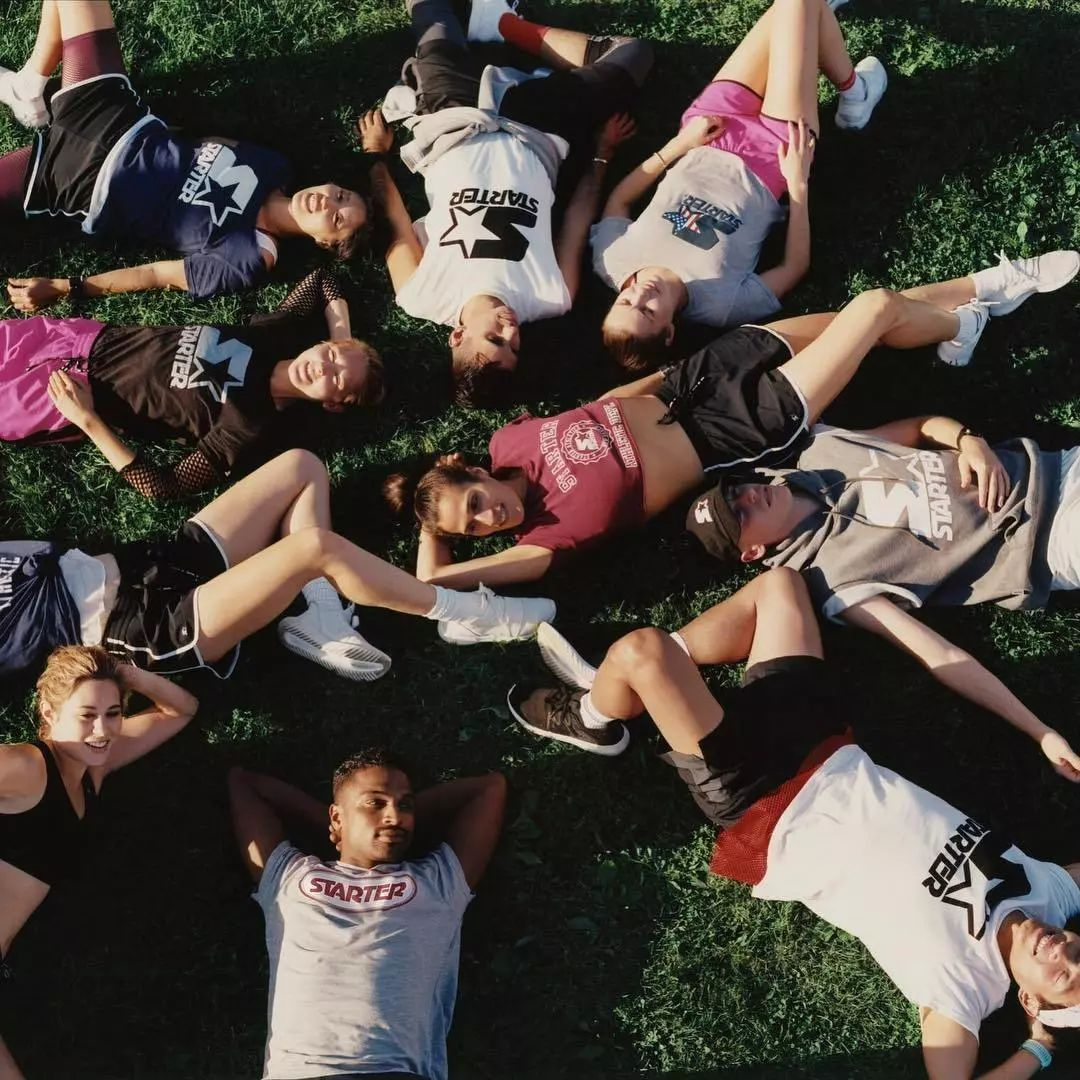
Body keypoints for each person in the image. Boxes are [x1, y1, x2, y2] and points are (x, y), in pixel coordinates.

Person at [508, 569, 1080, 1077]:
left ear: (1031, 1002)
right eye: (1079, 951)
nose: (1062, 951)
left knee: (642, 650)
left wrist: (1040, 1049)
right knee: (778, 588)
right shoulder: (1051, 893)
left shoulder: (963, 990)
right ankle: (638, 686)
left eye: (1063, 976)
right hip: (824, 744)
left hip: (765, 800)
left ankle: (592, 716)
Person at [385, 254, 1073, 589]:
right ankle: (964, 323)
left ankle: (984, 291)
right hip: (738, 428)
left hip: (698, 377)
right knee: (873, 310)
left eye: (474, 503)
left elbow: (609, 400)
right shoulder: (544, 539)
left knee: (857, 318)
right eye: (472, 530)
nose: (488, 520)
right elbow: (427, 585)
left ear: (472, 469)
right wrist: (432, 522)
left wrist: (674, 374)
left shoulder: (510, 438)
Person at [682, 337, 1080, 778]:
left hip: (1056, 467)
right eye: (741, 514)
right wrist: (1040, 732)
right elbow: (939, 655)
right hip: (1050, 540)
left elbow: (922, 426)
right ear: (753, 551)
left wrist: (969, 441)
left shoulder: (820, 451)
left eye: (737, 491)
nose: (751, 496)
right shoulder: (836, 582)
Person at [0, 448, 556, 686]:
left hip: (150, 561)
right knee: (315, 547)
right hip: (143, 628)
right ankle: (467, 613)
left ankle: (320, 614)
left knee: (301, 466)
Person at [360, 0, 652, 405]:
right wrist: (602, 153)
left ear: (458, 335)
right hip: (537, 128)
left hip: (453, 122)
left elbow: (393, 217)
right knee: (634, 54)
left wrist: (375, 154)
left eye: (496, 339)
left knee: (431, 14)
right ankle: (503, 24)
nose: (512, 331)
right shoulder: (550, 297)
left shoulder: (421, 295)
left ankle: (488, 25)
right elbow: (576, 220)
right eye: (514, 346)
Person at [0, 0, 370, 308]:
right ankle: (29, 88)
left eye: (337, 219)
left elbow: (156, 274)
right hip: (115, 115)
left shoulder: (250, 257)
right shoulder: (274, 166)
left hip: (77, 180)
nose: (327, 203)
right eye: (340, 195)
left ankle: (29, 92)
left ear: (325, 243)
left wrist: (66, 287)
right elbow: (207, 140)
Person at [592, 0, 886, 372]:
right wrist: (798, 184)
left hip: (708, 131)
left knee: (789, 11)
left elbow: (620, 199)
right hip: (772, 156)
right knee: (798, 5)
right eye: (647, 311)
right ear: (668, 332)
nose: (639, 294)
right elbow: (794, 267)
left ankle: (848, 82)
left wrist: (680, 145)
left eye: (624, 302)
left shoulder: (611, 261)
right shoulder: (721, 305)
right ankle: (849, 84)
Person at [228, 750, 506, 1080]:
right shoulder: (289, 877)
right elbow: (244, 784)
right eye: (375, 802)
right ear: (336, 816)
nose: (395, 816)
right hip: (300, 1071)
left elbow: (489, 789)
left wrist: (364, 822)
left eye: (406, 805)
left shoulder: (438, 881)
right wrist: (340, 827)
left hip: (397, 1070)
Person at [1, 268, 383, 498]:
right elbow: (321, 280)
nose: (322, 368)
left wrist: (88, 421)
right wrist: (344, 341)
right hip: (80, 338)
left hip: (67, 394)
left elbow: (164, 486)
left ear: (333, 404)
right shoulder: (276, 334)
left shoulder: (249, 426)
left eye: (336, 379)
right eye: (330, 355)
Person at [1, 645, 199, 1080]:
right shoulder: (27, 766)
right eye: (86, 715)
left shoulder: (91, 771)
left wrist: (128, 676)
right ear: (49, 713)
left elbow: (181, 710)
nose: (102, 729)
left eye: (113, 713)